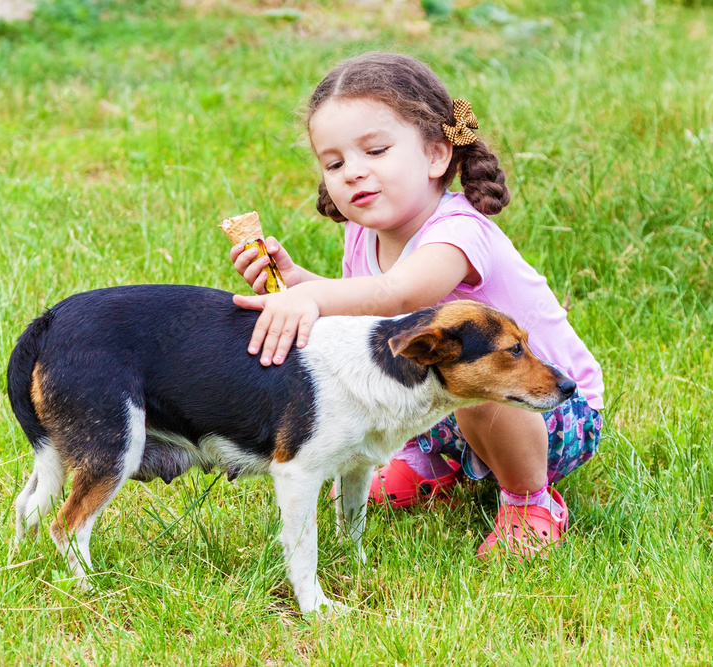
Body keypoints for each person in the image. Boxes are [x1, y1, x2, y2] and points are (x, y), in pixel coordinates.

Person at [229, 52, 603, 559]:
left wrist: (309, 298)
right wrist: (298, 281)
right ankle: (437, 462)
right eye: (335, 163)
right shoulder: (364, 235)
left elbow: (398, 296)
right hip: (439, 409)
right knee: (393, 379)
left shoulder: (459, 232)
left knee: (476, 379)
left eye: (376, 150)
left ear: (435, 154)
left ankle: (528, 501)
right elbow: (365, 316)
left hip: (551, 410)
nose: (353, 173)